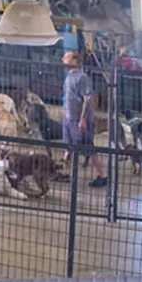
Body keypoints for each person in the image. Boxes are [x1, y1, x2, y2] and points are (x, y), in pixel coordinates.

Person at [61, 50, 107, 189]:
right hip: (69, 118)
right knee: (68, 146)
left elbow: (88, 99)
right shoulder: (69, 77)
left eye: (67, 57)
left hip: (78, 120)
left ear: (75, 61)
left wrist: (82, 119)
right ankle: (62, 171)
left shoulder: (82, 78)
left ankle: (102, 176)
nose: (63, 58)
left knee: (88, 147)